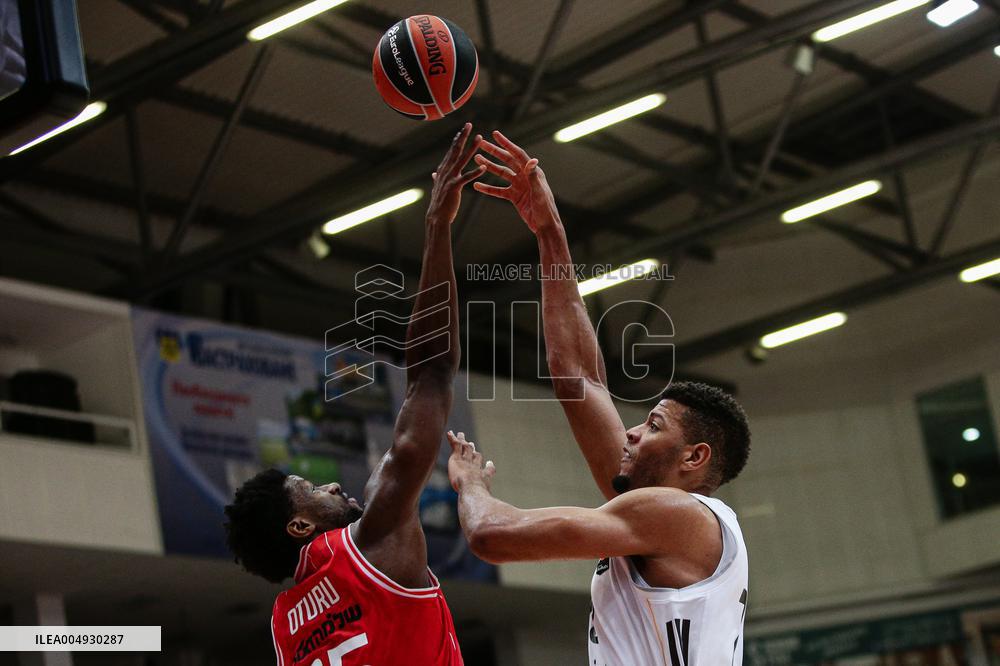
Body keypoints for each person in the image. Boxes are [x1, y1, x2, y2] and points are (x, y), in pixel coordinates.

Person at [448, 130, 753, 664]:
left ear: (694, 457)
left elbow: (491, 537)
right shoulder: (659, 514)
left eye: (654, 425)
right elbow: (577, 377)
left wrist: (472, 485)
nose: (633, 431)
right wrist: (548, 232)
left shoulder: (677, 515)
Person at [223, 123, 486, 666]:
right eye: (311, 487)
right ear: (300, 526)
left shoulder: (282, 630)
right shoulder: (371, 540)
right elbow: (432, 374)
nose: (333, 483)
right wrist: (438, 228)